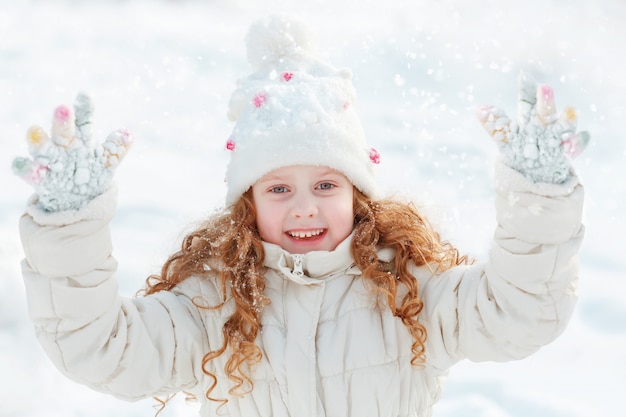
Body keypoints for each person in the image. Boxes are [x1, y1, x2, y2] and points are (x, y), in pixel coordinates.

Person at [14, 14, 588, 417]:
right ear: (248, 205)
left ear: (359, 195)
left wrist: (537, 201)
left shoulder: (409, 289)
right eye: (279, 188)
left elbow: (520, 311)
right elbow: (101, 348)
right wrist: (70, 227)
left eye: (326, 183)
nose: (305, 205)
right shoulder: (213, 304)